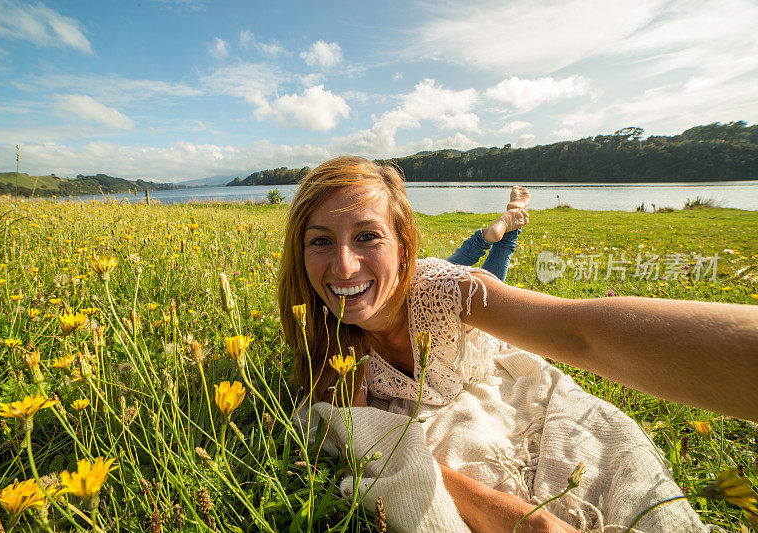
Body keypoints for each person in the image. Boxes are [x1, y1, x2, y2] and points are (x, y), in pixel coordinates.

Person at [278, 156, 758, 532]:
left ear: (404, 245)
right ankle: (500, 228)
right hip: (435, 407)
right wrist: (523, 519)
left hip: (498, 372)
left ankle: (505, 228)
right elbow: (372, 445)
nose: (343, 266)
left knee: (627, 484)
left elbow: (578, 332)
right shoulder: (320, 331)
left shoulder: (449, 291)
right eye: (320, 241)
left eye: (367, 236)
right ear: (301, 253)